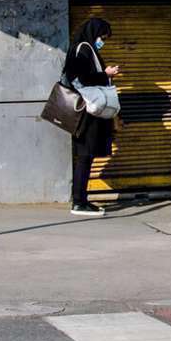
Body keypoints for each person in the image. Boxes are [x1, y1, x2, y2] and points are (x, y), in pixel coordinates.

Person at [62, 17, 121, 216]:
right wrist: (106, 74)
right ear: (93, 33)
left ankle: (81, 200)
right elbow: (79, 78)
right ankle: (79, 202)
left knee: (86, 156)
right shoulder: (83, 49)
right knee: (85, 156)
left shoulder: (83, 48)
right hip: (86, 113)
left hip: (87, 111)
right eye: (102, 37)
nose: (102, 41)